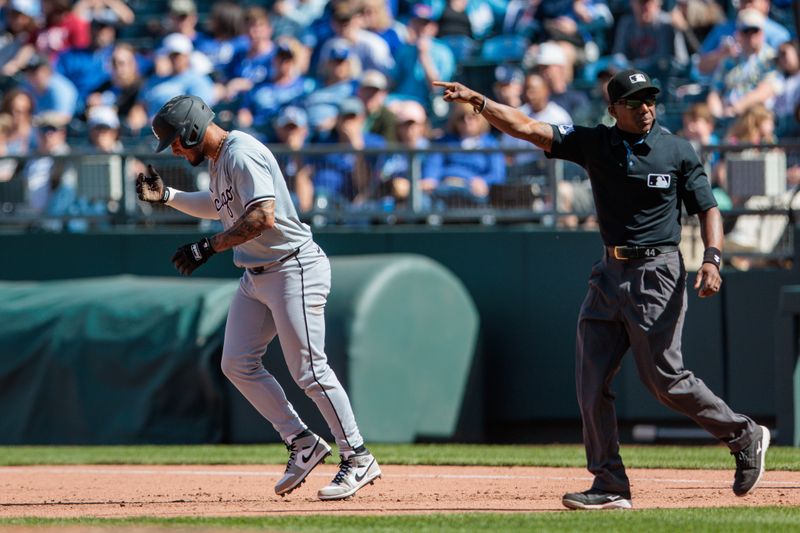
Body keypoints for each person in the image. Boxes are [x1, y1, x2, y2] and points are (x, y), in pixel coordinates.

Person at [433, 68, 770, 510]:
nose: (645, 107)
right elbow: (530, 128)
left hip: (658, 271)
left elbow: (708, 208)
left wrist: (712, 258)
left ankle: (743, 434)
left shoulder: (676, 150)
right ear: (613, 110)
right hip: (609, 272)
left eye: (650, 99)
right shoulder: (595, 142)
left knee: (665, 378)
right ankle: (610, 483)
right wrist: (480, 102)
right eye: (634, 102)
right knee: (590, 381)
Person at [135, 94, 381, 501]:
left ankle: (357, 456)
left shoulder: (241, 152)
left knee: (309, 371)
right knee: (237, 363)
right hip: (257, 274)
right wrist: (168, 197)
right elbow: (222, 208)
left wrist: (208, 248)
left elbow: (262, 216)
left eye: (176, 140)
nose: (174, 149)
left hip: (292, 267)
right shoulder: (220, 159)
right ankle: (302, 441)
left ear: (193, 128)